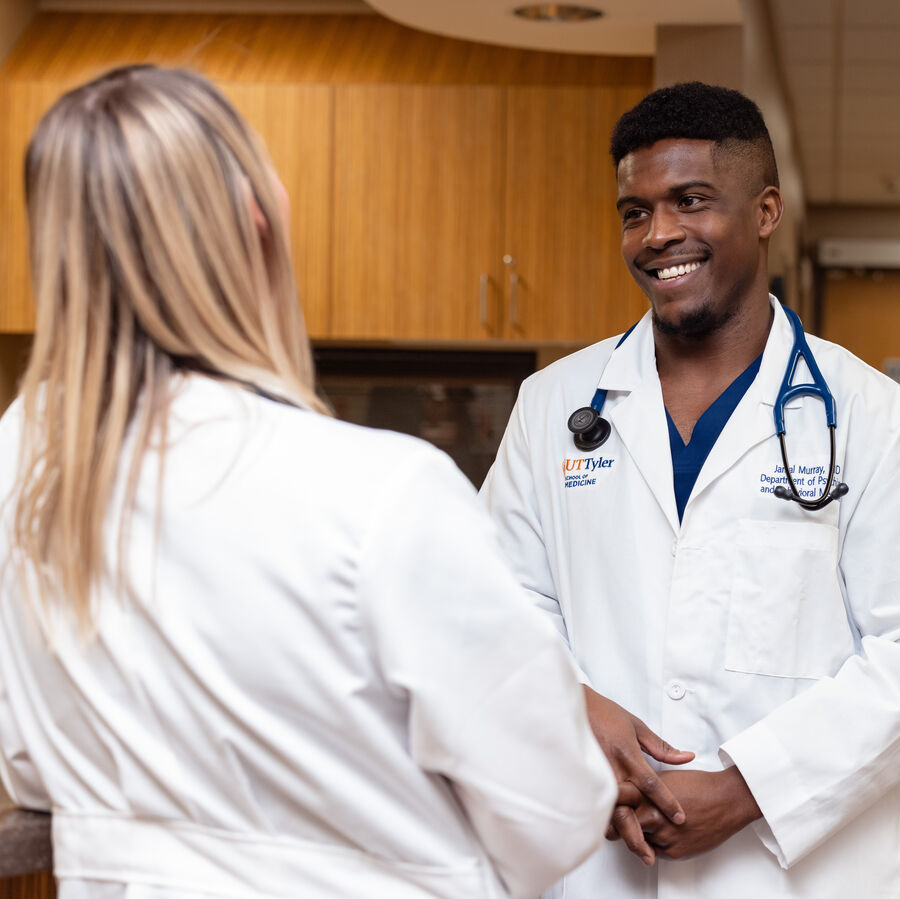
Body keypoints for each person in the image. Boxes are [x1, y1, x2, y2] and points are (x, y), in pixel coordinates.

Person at [0, 65, 618, 899]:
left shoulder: (23, 463)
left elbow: (31, 763)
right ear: (256, 227)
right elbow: (555, 811)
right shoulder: (381, 492)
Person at [481, 81, 900, 899]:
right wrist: (572, 707)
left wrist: (747, 790)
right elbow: (489, 606)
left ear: (766, 211)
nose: (658, 233)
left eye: (691, 200)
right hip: (603, 860)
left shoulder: (871, 416)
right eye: (634, 211)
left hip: (799, 872)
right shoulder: (555, 407)